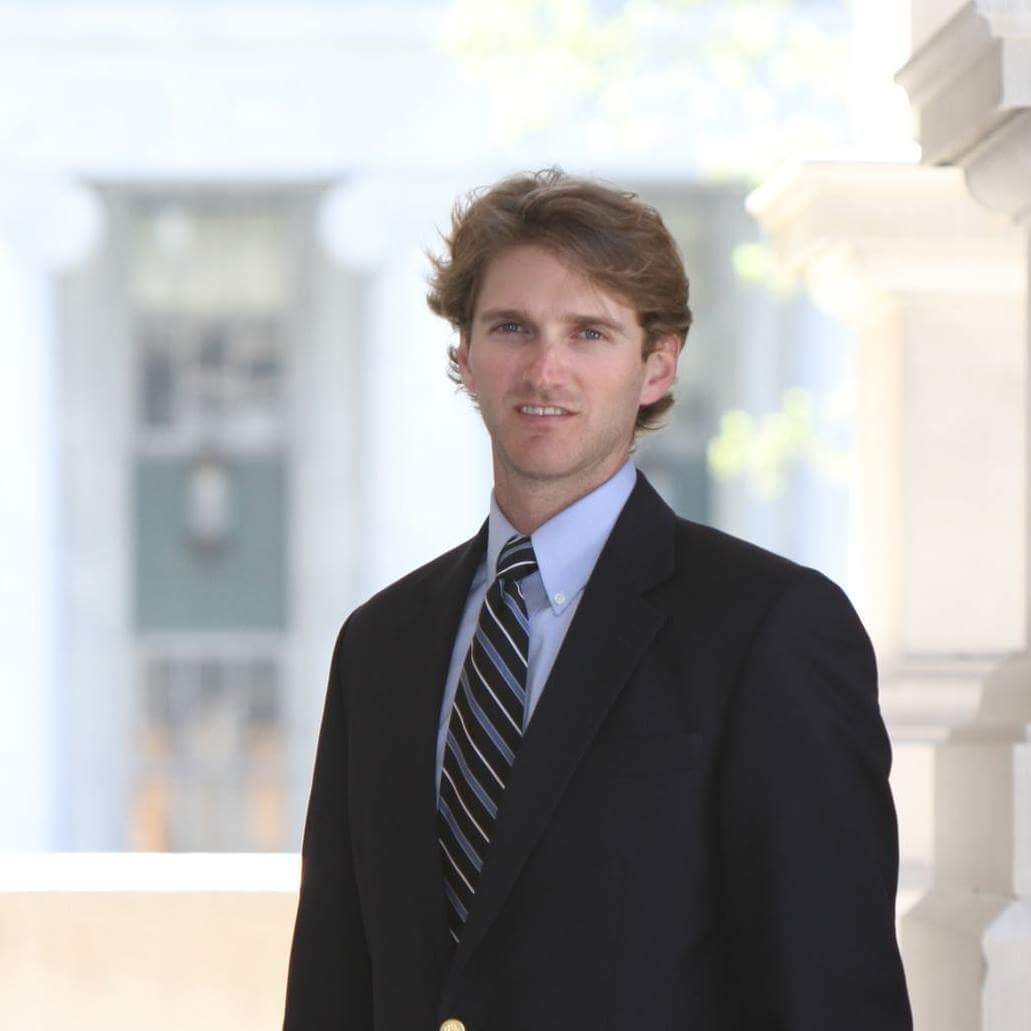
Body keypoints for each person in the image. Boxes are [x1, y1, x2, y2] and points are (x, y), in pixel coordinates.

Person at [282, 168, 912, 1031]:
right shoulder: (379, 644)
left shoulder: (769, 628)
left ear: (656, 366)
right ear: (463, 355)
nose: (545, 369)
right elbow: (334, 978)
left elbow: (832, 996)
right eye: (512, 328)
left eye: (589, 333)